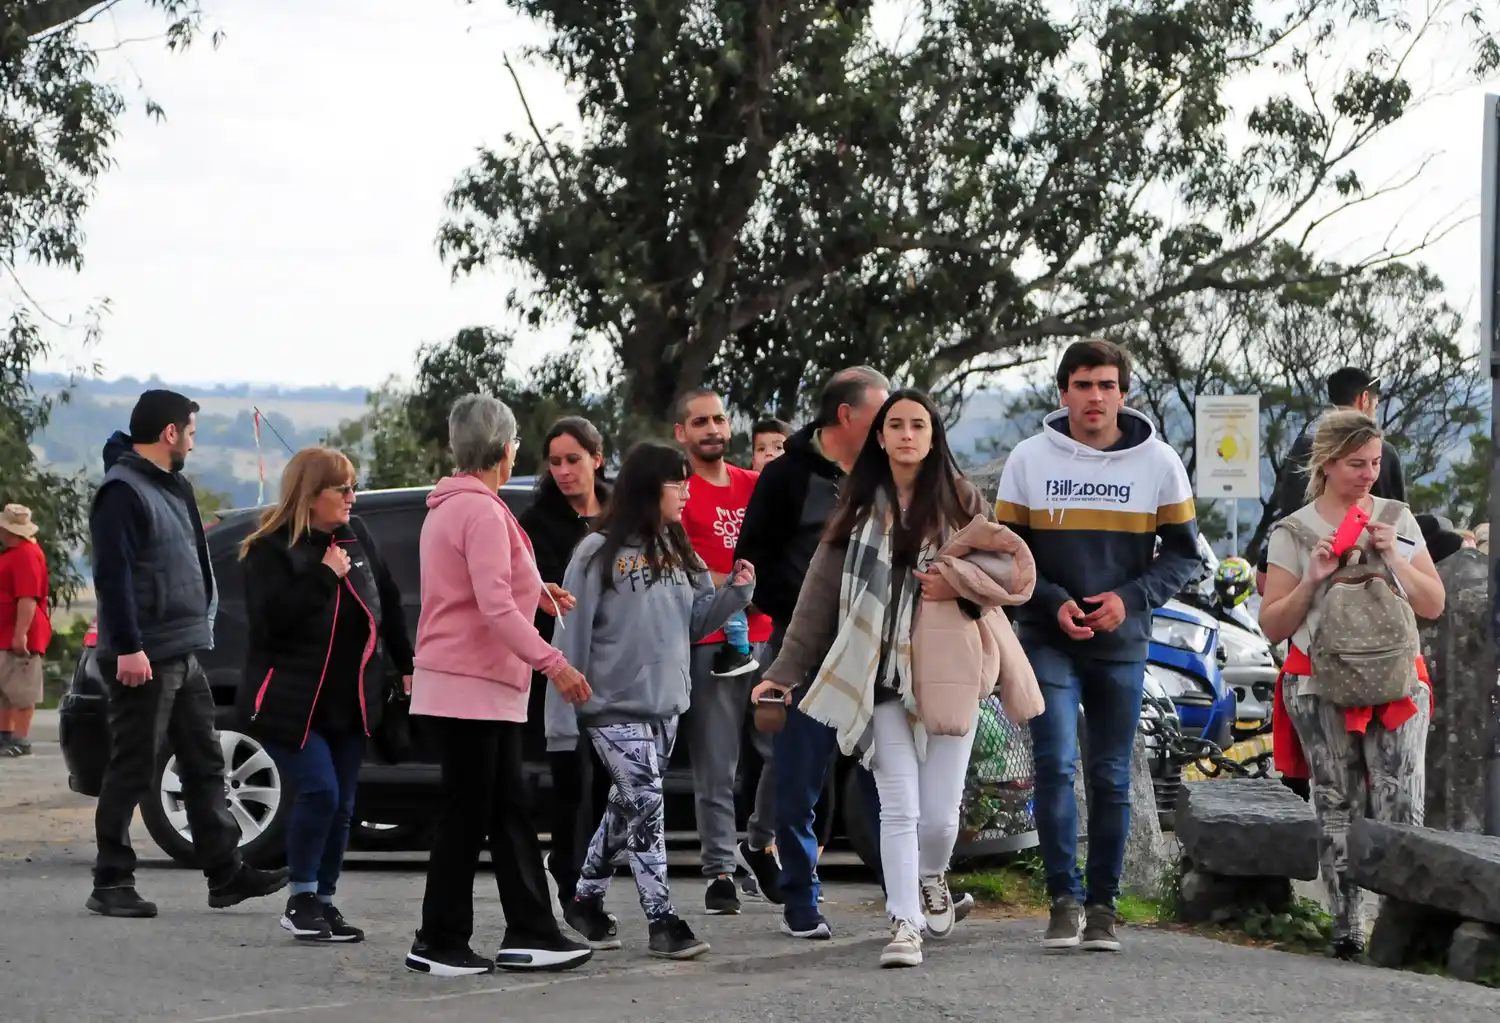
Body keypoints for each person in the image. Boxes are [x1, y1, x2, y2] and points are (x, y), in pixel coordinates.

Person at [757, 390, 1021, 968]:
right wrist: (783, 672)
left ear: (933, 437)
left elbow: (1006, 577)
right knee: (898, 805)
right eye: (895, 425)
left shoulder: (963, 500)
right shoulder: (853, 507)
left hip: (949, 670)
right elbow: (818, 597)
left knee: (940, 817)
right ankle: (904, 923)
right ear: (879, 437)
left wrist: (958, 585)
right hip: (877, 671)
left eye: (917, 425)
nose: (906, 434)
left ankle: (931, 876)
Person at [994, 339, 1200, 953]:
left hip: (1122, 640)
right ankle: (1063, 901)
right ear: (1063, 393)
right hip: (1047, 637)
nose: (1095, 397)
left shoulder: (1160, 463)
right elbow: (1006, 554)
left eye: (1107, 385)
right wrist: (1052, 600)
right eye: (1083, 385)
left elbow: (1185, 555)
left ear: (1124, 393)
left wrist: (1129, 599)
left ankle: (1104, 908)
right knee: (1055, 766)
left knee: (1110, 777)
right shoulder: (1029, 460)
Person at [404, 395, 594, 978]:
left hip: (471, 685)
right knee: (471, 813)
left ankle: (529, 930)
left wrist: (537, 592)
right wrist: (552, 662)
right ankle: (439, 939)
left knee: (505, 807)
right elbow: (491, 606)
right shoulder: (481, 511)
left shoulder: (455, 506)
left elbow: (479, 585)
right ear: (504, 447)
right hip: (472, 686)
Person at [86, 390, 288, 918]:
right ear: (170, 433)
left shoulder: (169, 485)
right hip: (145, 654)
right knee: (132, 767)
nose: (194, 445)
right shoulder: (122, 492)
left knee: (204, 763)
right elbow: (113, 576)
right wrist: (129, 647)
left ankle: (225, 873)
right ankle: (111, 880)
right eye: (191, 433)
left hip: (182, 648)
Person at [551, 440, 756, 959]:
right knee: (647, 808)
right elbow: (569, 632)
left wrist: (734, 594)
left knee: (627, 809)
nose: (688, 492)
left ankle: (585, 900)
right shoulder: (595, 552)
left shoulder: (677, 545)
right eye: (678, 482)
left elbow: (693, 622)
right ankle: (663, 921)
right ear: (649, 488)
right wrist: (562, 719)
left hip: (666, 704)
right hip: (611, 705)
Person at [1259, 409, 1443, 960]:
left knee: (1400, 801)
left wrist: (1393, 556)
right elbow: (1273, 625)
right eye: (1357, 464)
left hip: (1396, 681)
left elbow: (1433, 603)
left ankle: (1401, 927)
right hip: (1319, 683)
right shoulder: (1293, 531)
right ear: (1328, 463)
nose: (1370, 474)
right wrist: (1312, 578)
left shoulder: (1397, 518)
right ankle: (1346, 925)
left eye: (1376, 462)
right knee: (1335, 801)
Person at [237, 448, 414, 943]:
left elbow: (389, 602)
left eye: (354, 486)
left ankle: (325, 901)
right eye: (343, 489)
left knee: (342, 805)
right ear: (311, 495)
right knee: (319, 790)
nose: (352, 497)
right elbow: (272, 623)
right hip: (290, 700)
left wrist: (406, 665)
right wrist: (324, 573)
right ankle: (300, 898)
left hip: (351, 699)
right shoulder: (271, 548)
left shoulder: (357, 539)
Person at [738, 365, 890, 939]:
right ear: (846, 416)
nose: (890, 430)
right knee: (801, 777)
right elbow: (752, 559)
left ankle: (908, 890)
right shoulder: (786, 478)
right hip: (806, 650)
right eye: (879, 417)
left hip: (877, 651)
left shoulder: (887, 475)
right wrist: (804, 616)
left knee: (887, 771)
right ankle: (801, 899)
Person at [673, 388, 778, 913]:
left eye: (718, 419)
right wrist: (733, 581)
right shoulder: (680, 495)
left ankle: (758, 844)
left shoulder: (756, 486)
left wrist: (745, 581)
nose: (711, 429)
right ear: (681, 433)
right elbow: (683, 571)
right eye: (699, 422)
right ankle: (719, 872)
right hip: (709, 642)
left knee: (782, 755)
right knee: (717, 766)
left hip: (768, 638)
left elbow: (780, 552)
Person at [521, 417, 615, 920]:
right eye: (554, 462)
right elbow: (534, 596)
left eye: (572, 460)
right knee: (572, 782)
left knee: (609, 783)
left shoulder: (622, 515)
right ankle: (571, 880)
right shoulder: (537, 523)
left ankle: (591, 881)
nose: (563, 471)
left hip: (617, 666)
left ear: (597, 459)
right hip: (561, 665)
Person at [1257, 367, 1406, 593]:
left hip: (1294, 568)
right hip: (1361, 577)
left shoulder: (1301, 444)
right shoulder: (1380, 452)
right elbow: (1396, 521)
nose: (1367, 472)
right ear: (1364, 399)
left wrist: (1266, 558)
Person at [0, 505, 49, 758]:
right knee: (6, 688)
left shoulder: (27, 554)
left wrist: (21, 634)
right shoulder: (12, 553)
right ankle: (5, 737)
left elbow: (28, 597)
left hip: (18, 633)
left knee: (21, 689)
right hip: (4, 632)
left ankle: (20, 739)